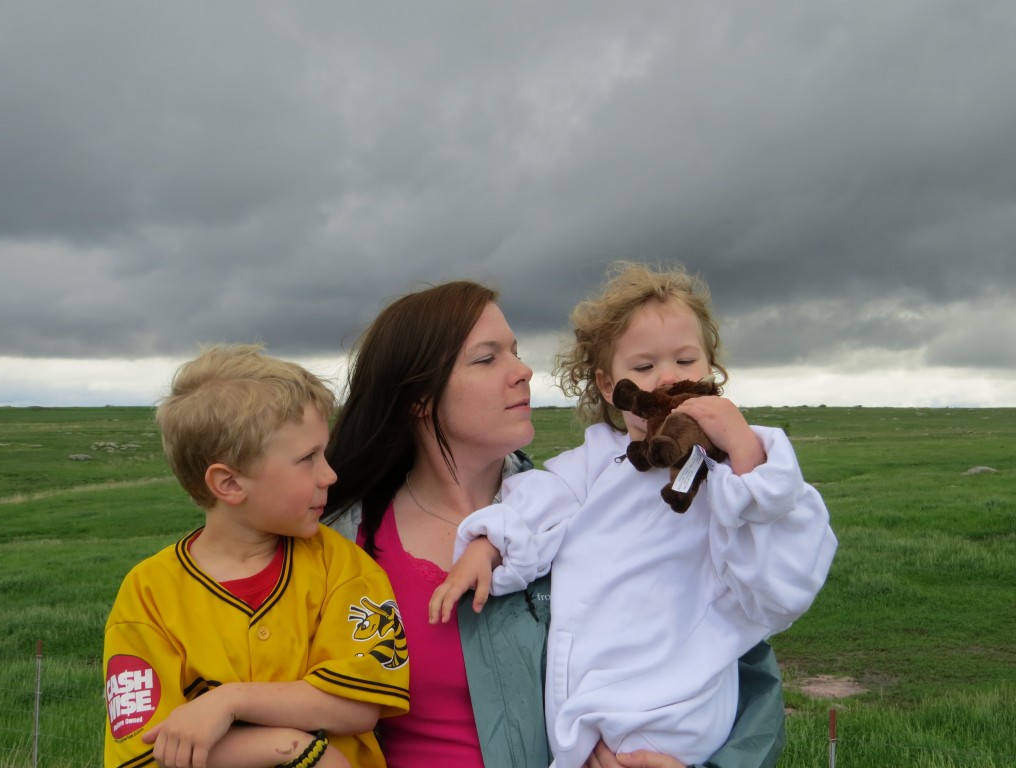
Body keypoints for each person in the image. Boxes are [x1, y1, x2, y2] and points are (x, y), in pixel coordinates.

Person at [322, 279, 796, 768]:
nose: (523, 371)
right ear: (418, 397)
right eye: (487, 359)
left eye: (516, 352)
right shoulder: (341, 539)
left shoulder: (589, 505)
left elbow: (741, 660)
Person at [429, 262, 838, 768]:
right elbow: (538, 499)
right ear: (608, 385)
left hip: (687, 695)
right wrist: (487, 545)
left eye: (686, 360)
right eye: (643, 369)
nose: (667, 378)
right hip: (594, 697)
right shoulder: (598, 462)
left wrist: (744, 455)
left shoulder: (734, 470)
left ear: (710, 370)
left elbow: (783, 579)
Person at [103, 344, 409, 768]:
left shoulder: (344, 568)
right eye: (307, 459)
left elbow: (357, 706)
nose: (330, 474)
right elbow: (144, 754)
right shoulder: (148, 594)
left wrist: (230, 701)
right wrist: (295, 749)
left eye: (324, 452)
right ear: (229, 484)